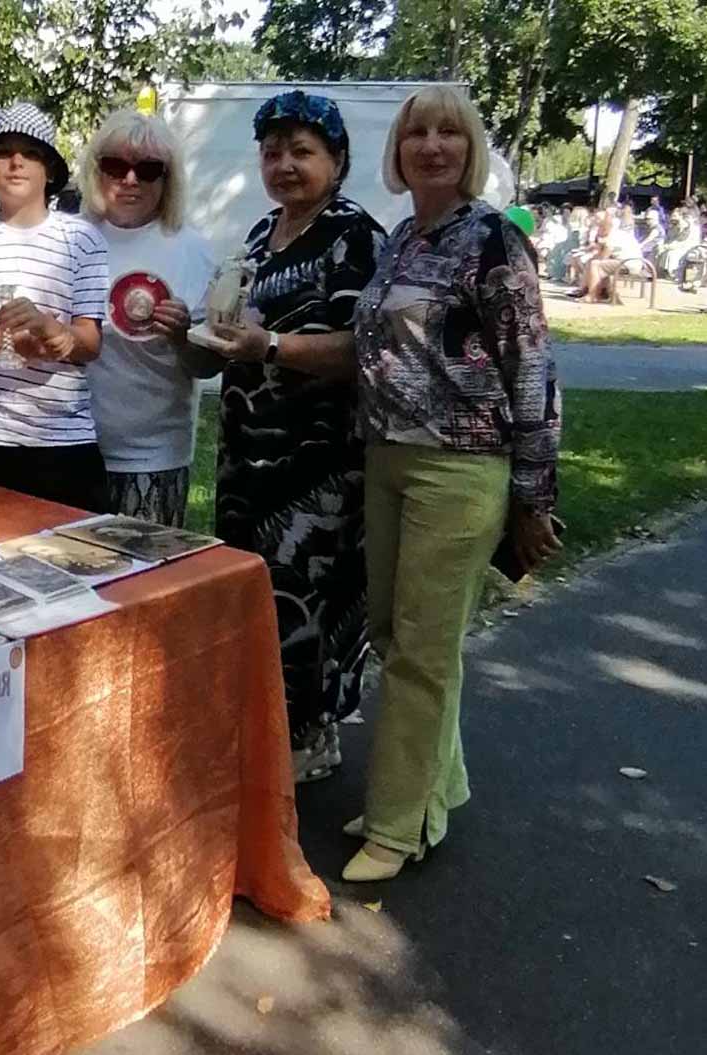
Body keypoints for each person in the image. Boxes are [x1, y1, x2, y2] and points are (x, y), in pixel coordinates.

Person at [349, 85, 562, 882]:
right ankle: (433, 787)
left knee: (422, 650)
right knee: (392, 633)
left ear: (470, 149)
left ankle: (396, 825)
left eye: (449, 132)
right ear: (397, 150)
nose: (431, 145)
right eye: (416, 133)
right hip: (385, 458)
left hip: (460, 465)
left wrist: (534, 494)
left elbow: (531, 366)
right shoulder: (401, 239)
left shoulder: (493, 240)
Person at [207, 90, 385, 784]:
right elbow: (237, 328)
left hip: (316, 461)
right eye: (272, 152)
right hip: (247, 454)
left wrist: (272, 347)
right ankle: (268, 730)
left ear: (336, 159)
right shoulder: (261, 234)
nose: (284, 165)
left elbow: (363, 347)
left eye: (301, 152)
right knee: (251, 592)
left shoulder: (353, 236)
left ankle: (308, 736)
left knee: (306, 597)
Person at [0, 102, 110, 512]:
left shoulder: (82, 239)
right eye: (3, 153)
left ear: (49, 170)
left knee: (69, 550)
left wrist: (53, 331)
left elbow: (90, 342)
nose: (16, 163)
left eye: (30, 153)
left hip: (65, 440)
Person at [77, 107, 215, 527]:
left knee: (143, 568)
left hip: (153, 457)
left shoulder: (193, 251)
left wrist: (183, 337)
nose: (131, 179)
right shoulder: (70, 239)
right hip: (69, 448)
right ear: (96, 170)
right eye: (115, 166)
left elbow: (209, 364)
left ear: (168, 179)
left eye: (149, 169)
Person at [572, 209, 644, 302]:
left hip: (629, 264)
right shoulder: (616, 233)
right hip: (628, 262)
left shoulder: (613, 235)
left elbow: (604, 256)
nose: (598, 227)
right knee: (594, 263)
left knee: (595, 264)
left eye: (600, 225)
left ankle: (593, 295)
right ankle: (594, 291)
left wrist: (592, 258)